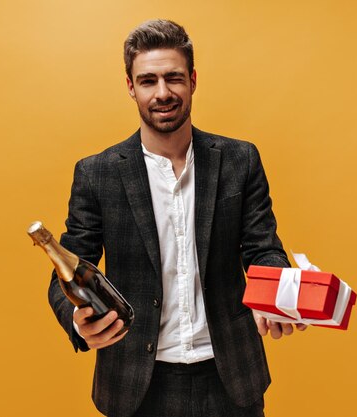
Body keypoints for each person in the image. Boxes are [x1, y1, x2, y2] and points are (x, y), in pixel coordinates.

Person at [48, 19, 306, 417]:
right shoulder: (96, 173)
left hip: (231, 378)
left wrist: (280, 297)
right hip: (135, 384)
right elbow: (65, 271)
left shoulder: (240, 160)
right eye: (148, 81)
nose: (163, 93)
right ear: (131, 87)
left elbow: (262, 248)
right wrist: (79, 323)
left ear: (193, 80)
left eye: (174, 78)